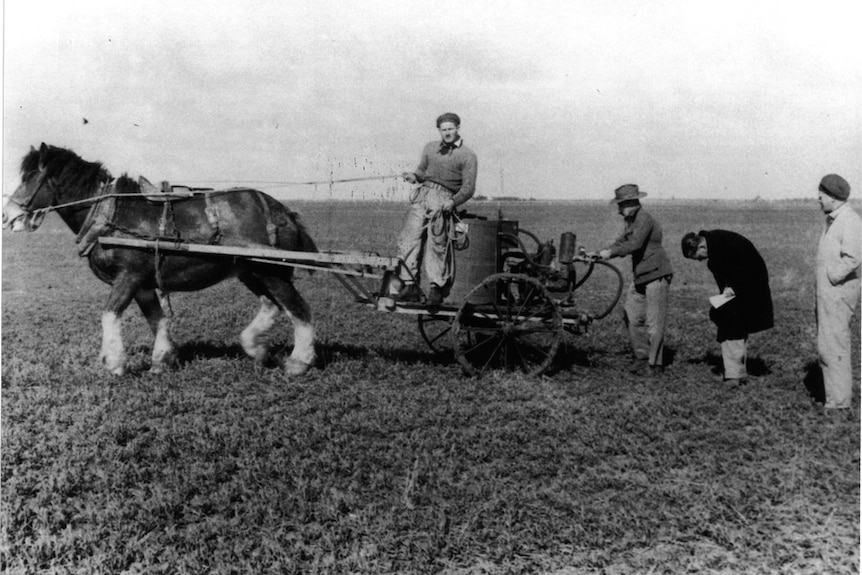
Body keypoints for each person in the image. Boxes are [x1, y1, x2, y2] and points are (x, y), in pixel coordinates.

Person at [393, 113, 478, 306]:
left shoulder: (468, 155)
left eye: (451, 129)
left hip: (443, 201)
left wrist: (453, 202)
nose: (447, 133)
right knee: (408, 240)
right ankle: (410, 286)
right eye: (443, 129)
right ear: (439, 130)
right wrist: (414, 176)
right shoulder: (430, 148)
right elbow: (422, 171)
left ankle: (436, 289)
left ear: (458, 128)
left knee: (437, 245)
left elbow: (468, 188)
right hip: (422, 196)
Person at [592, 184, 673, 376]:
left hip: (656, 275)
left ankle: (655, 365)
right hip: (641, 276)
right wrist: (598, 253)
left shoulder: (644, 219)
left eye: (620, 205)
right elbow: (621, 241)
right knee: (632, 315)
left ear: (631, 203)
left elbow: (634, 244)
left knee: (654, 323)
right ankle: (642, 356)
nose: (619, 210)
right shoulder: (631, 220)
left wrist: (609, 253)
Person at [681, 230, 774, 383]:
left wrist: (730, 293)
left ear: (702, 247)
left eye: (698, 258)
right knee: (730, 324)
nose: (700, 261)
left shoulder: (723, 248)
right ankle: (737, 371)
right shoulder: (717, 243)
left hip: (749, 289)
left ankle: (733, 375)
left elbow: (745, 271)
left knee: (731, 328)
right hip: (743, 290)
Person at [814, 173, 861, 410]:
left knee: (835, 346)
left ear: (833, 197)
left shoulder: (849, 220)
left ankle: (839, 402)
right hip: (830, 293)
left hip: (838, 292)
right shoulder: (834, 219)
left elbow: (853, 258)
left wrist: (832, 276)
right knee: (828, 345)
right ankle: (834, 399)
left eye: (821, 195)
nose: (818, 199)